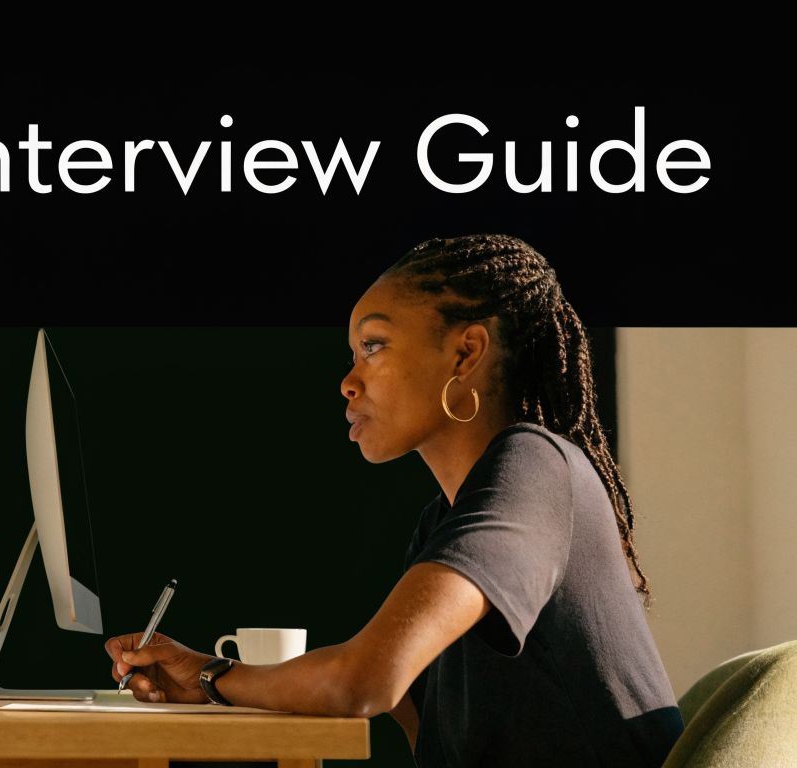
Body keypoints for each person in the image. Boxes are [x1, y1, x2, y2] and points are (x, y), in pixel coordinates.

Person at [106, 234, 684, 767]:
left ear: (465, 354)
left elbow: (365, 682)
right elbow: (412, 718)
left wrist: (213, 676)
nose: (347, 382)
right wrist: (210, 680)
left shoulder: (535, 467)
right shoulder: (444, 520)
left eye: (373, 345)